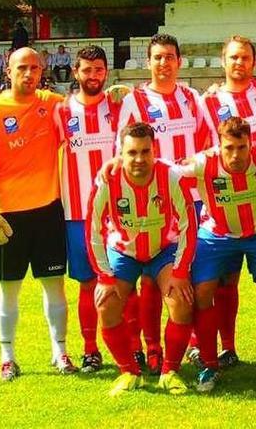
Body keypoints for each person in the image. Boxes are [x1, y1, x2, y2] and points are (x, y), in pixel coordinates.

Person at [0, 47, 74, 381]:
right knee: (9, 289)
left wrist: (119, 96)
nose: (28, 74)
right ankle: (7, 356)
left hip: (48, 212)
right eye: (21, 68)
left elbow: (89, 112)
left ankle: (60, 351)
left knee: (54, 287)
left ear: (42, 71)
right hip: (8, 217)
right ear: (8, 72)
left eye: (34, 68)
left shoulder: (54, 105)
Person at [179, 116, 256, 391]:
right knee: (203, 292)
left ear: (250, 144)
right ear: (218, 146)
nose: (235, 155)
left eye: (241, 147)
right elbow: (167, 173)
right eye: (228, 148)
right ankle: (209, 366)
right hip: (217, 234)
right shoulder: (203, 163)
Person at [116, 33, 208, 376]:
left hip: (190, 200)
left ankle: (194, 345)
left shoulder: (192, 98)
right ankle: (152, 348)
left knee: (188, 277)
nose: (164, 63)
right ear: (149, 62)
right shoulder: (135, 101)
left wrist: (191, 164)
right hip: (149, 203)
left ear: (179, 61)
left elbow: (208, 143)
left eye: (170, 56)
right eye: (157, 57)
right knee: (150, 280)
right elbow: (119, 149)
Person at [87, 122, 197, 396]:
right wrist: (104, 277)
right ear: (120, 153)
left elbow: (188, 225)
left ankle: (169, 371)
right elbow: (93, 230)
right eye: (132, 152)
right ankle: (129, 372)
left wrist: (181, 271)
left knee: (181, 301)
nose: (139, 159)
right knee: (106, 305)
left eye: (145, 152)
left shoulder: (170, 176)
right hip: (124, 251)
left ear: (154, 151)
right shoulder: (107, 181)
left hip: (163, 249)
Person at [53, 45, 135, 373]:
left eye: (98, 69)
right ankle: (90, 350)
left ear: (106, 72)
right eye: (86, 70)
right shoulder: (61, 111)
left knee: (124, 281)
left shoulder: (117, 107)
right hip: (76, 212)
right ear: (75, 72)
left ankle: (133, 347)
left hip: (116, 211)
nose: (93, 75)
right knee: (88, 284)